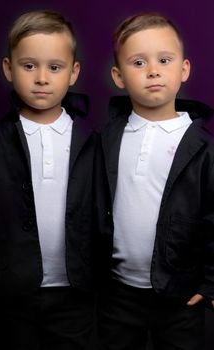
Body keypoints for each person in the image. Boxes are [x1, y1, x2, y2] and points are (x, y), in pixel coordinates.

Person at [96, 12, 214, 350]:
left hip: (179, 295)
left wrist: (211, 283)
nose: (153, 70)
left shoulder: (203, 147)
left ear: (184, 69)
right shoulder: (104, 139)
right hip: (116, 293)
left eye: (164, 60)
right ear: (118, 76)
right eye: (138, 62)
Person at [0, 9, 96, 350]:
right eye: (29, 66)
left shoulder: (92, 141)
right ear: (8, 69)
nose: (42, 78)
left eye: (55, 67)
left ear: (73, 72)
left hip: (76, 293)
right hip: (12, 294)